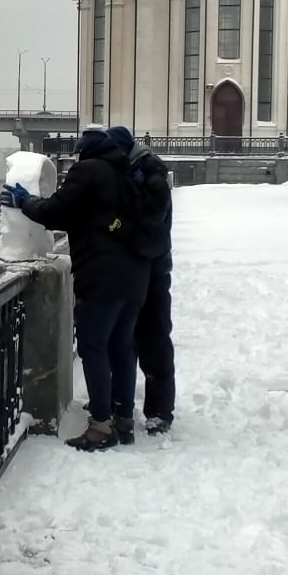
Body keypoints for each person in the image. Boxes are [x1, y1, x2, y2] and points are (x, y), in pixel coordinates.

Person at [5, 126, 149, 450]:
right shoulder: (126, 174)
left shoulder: (88, 172)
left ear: (83, 152)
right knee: (122, 347)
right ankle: (122, 417)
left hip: (102, 278)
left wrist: (25, 201)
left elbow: (57, 211)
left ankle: (100, 426)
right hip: (135, 276)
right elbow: (113, 221)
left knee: (93, 346)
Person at [107, 127, 175, 434]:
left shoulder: (152, 177)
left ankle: (160, 411)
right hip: (133, 272)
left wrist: (114, 225)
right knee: (123, 340)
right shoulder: (133, 172)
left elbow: (148, 231)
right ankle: (119, 402)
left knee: (153, 339)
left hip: (152, 272)